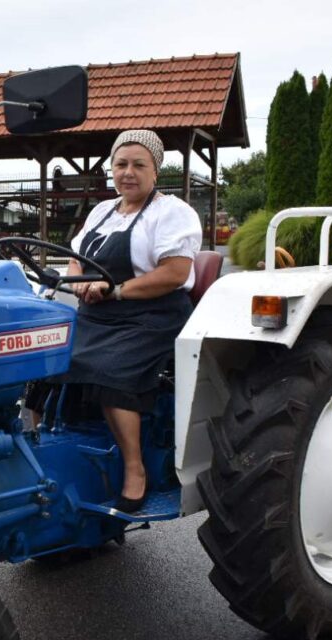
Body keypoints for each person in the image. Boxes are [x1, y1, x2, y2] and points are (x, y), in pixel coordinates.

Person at [63, 129, 201, 513]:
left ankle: (134, 468)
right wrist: (82, 281)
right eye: (121, 164)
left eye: (139, 164)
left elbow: (174, 273)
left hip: (151, 315)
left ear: (155, 171)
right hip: (97, 313)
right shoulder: (101, 212)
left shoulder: (172, 213)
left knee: (108, 369)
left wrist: (117, 290)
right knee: (44, 360)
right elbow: (74, 257)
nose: (128, 172)